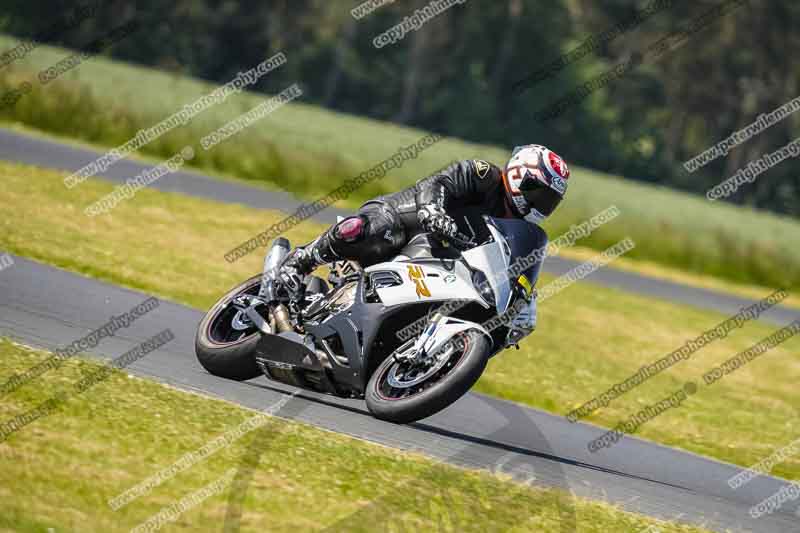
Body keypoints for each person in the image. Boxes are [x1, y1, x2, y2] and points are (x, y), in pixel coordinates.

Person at [276, 144, 570, 345]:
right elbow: (439, 182)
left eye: (549, 201)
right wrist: (433, 209)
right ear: (520, 175)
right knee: (374, 231)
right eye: (538, 192)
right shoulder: (485, 176)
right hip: (410, 220)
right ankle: (301, 260)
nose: (540, 204)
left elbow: (511, 270)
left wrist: (523, 304)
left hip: (439, 258)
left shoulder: (519, 232)